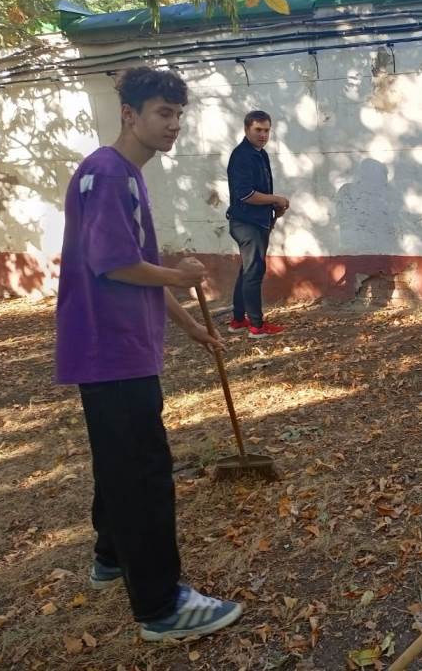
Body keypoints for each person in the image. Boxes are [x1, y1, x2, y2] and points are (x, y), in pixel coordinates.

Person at [55, 67, 244, 642]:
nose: (173, 126)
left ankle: (112, 556)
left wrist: (188, 324)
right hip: (112, 352)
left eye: (178, 115)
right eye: (163, 113)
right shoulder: (110, 174)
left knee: (119, 460)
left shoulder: (120, 175)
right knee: (143, 471)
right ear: (129, 115)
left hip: (119, 348)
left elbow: (137, 271)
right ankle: (161, 607)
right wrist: (183, 275)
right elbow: (116, 265)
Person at [225, 109, 289, 337]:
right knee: (254, 271)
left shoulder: (259, 153)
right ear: (246, 129)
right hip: (245, 222)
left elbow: (259, 192)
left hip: (257, 221)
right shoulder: (242, 155)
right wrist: (276, 199)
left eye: (266, 130)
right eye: (258, 130)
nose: (263, 135)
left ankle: (238, 320)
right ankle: (256, 326)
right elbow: (246, 195)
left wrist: (273, 208)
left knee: (247, 270)